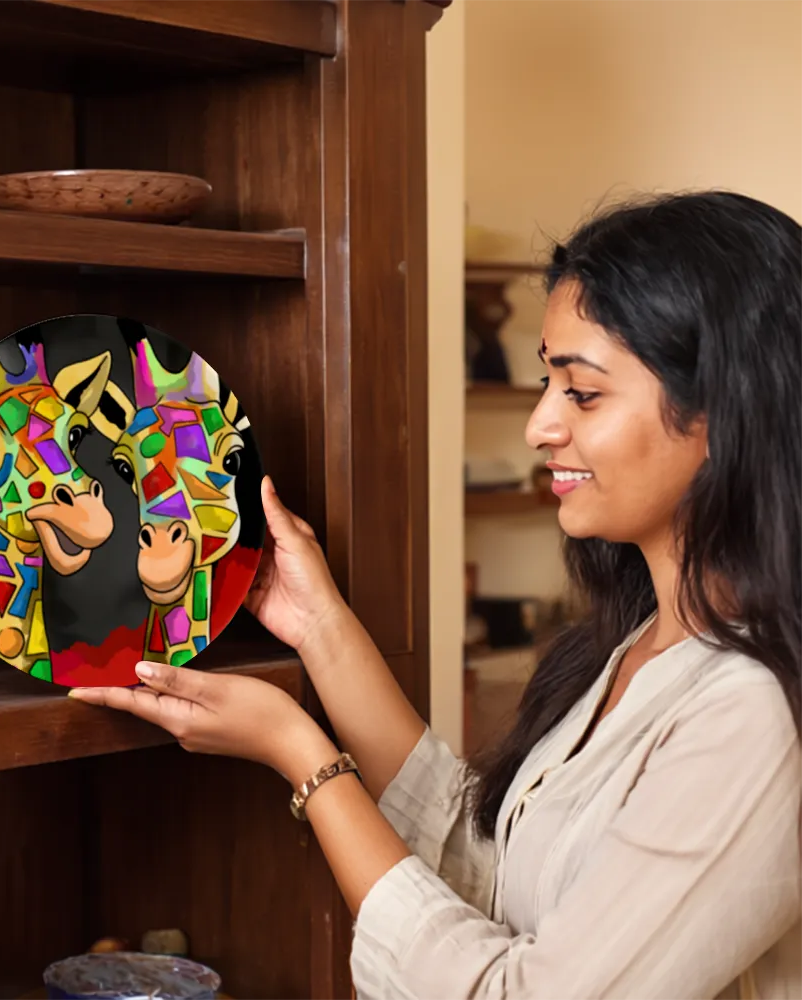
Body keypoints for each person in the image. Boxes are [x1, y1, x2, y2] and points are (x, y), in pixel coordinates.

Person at [68, 190, 802, 999]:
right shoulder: (642, 645)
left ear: (727, 414)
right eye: (546, 382)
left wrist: (303, 756)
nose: (539, 426)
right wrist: (318, 624)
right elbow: (490, 873)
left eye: (582, 393)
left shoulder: (754, 712)